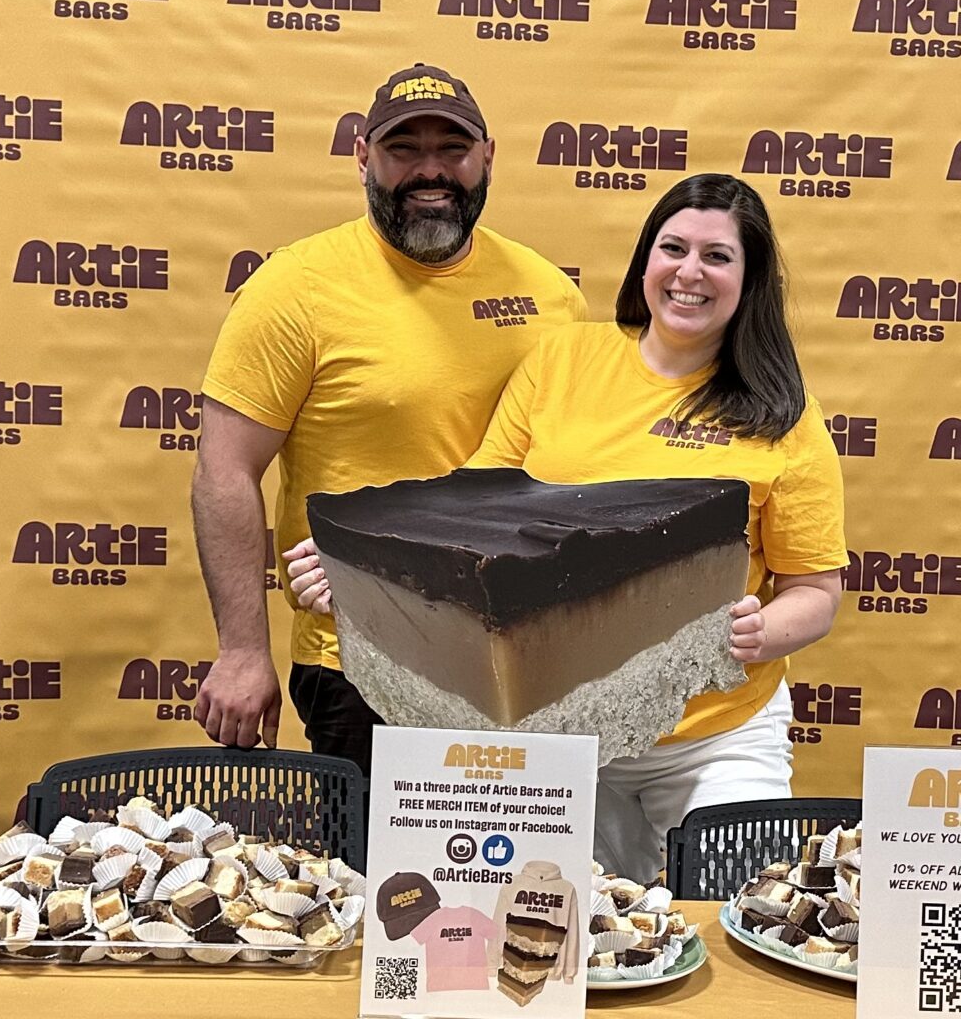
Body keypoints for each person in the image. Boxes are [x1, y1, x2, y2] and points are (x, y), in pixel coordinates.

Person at [290, 174, 847, 881]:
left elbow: (815, 589)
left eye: (717, 257)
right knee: (557, 940)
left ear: (751, 279)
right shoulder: (564, 360)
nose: (689, 272)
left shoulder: (783, 417)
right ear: (646, 259)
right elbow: (469, 520)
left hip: (718, 740)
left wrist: (761, 633)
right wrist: (352, 570)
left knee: (740, 912)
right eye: (673, 247)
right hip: (558, 743)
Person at [191, 63, 587, 775]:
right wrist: (243, 649)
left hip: (523, 662)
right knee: (384, 886)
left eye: (452, 149)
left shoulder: (550, 296)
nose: (429, 171)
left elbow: (572, 470)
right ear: (362, 157)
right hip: (362, 659)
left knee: (520, 883)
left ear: (488, 157)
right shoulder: (296, 288)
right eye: (405, 149)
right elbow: (225, 468)